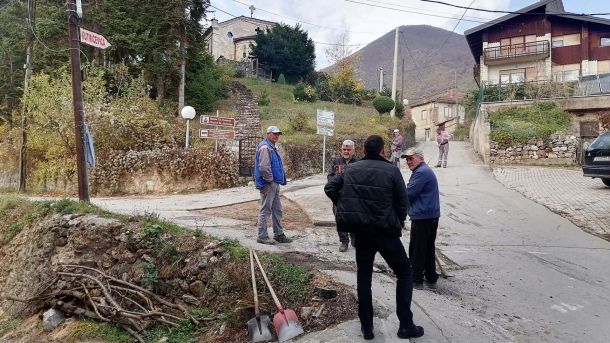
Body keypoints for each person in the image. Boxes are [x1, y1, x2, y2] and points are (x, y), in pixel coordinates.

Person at [325, 135, 424, 340]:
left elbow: (330, 188)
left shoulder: (351, 169)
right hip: (386, 233)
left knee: (364, 278)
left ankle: (367, 328)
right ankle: (406, 325)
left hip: (362, 234)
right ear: (382, 150)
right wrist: (396, 221)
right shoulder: (392, 170)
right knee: (405, 272)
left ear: (362, 149)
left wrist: (345, 206)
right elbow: (403, 202)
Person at [402, 147, 440, 290]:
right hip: (429, 215)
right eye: (407, 159)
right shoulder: (422, 171)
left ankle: (416, 279)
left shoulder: (421, 173)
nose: (408, 162)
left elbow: (408, 194)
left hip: (423, 216)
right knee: (428, 248)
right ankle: (431, 277)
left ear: (420, 158)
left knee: (417, 248)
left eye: (411, 158)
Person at [254, 126, 293, 245]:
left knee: (277, 209)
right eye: (274, 134)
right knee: (266, 210)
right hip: (268, 184)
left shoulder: (271, 147)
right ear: (268, 134)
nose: (276, 136)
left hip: (273, 183)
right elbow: (264, 167)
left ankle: (279, 234)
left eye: (278, 134)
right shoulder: (265, 147)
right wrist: (270, 181)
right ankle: (262, 236)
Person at [327, 139, 359, 252]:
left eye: (348, 149)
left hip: (353, 198)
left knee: (354, 220)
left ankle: (355, 239)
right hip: (338, 198)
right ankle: (344, 242)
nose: (346, 151)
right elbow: (330, 177)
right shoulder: (336, 162)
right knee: (340, 220)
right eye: (344, 149)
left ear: (353, 151)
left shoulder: (358, 163)